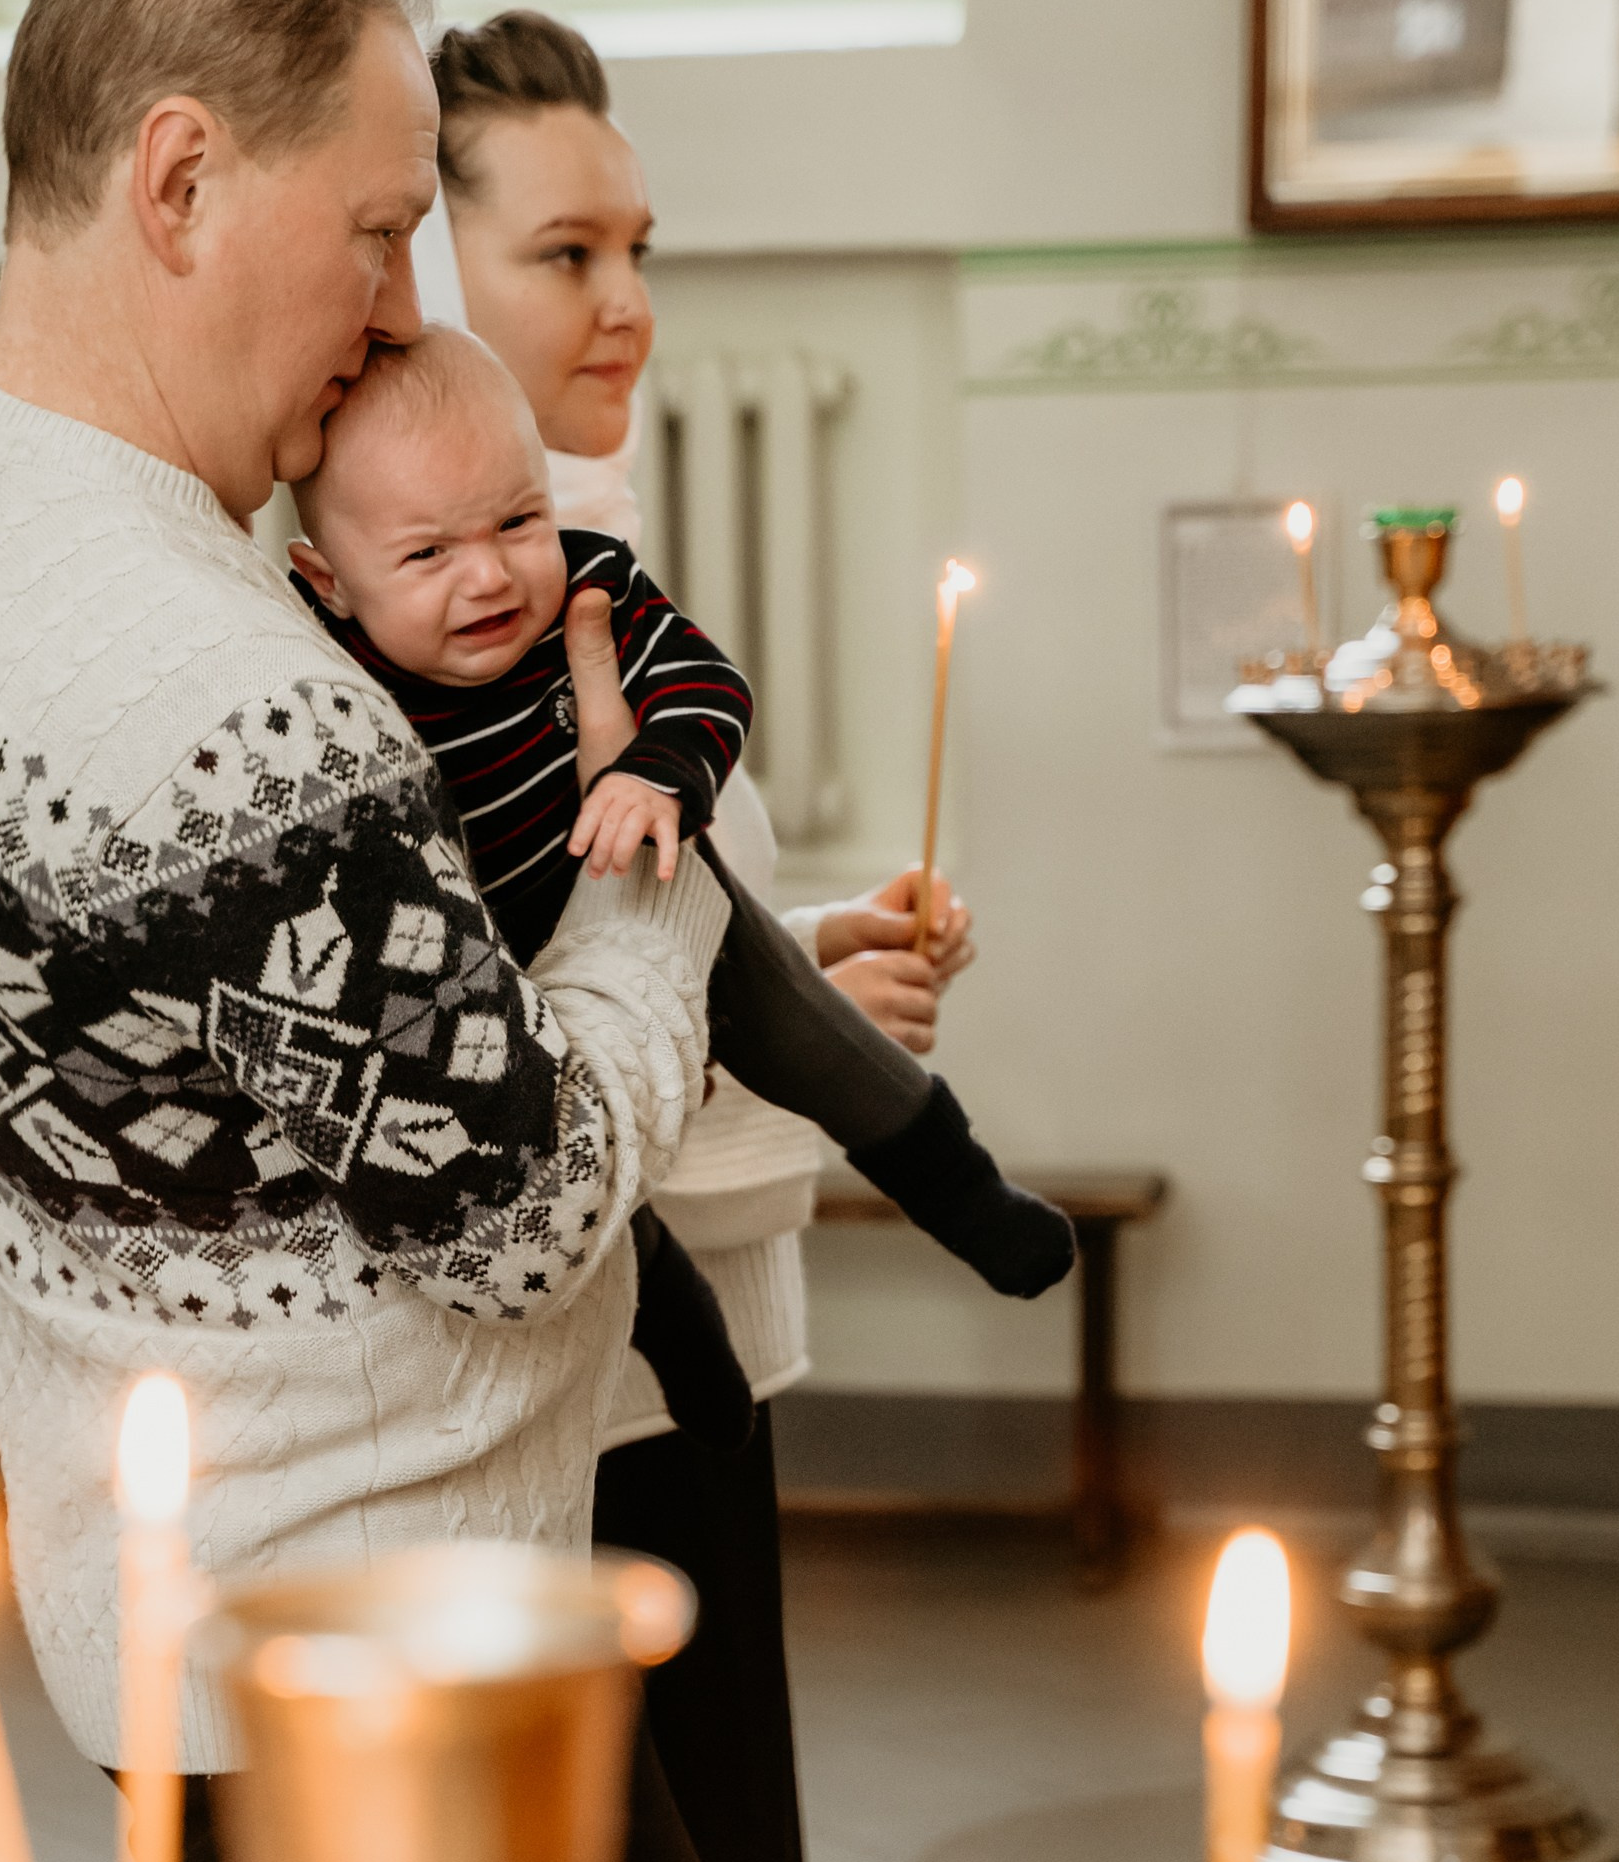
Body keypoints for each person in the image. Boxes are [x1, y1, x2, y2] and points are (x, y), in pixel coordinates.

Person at [0, 0, 749, 1862]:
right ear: (174, 178)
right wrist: (655, 897)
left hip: (165, 1546)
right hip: (372, 1641)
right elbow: (526, 1217)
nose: (394, 309)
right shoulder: (223, 705)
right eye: (369, 233)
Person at [427, 9, 981, 1862]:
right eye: (562, 255)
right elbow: (539, 1048)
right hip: (578, 1388)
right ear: (420, 264)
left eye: (636, 248)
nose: (627, 306)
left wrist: (806, 954)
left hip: (685, 1370)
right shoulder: (431, 633)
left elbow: (652, 940)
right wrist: (808, 1074)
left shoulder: (579, 575)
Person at [286, 327, 1072, 1446]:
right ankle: (690, 1355)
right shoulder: (326, 677)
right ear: (330, 581)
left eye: (517, 520)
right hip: (497, 979)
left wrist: (660, 772)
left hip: (658, 886)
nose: (491, 575)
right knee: (586, 1191)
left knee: (824, 1045)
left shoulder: (588, 586)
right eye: (426, 556)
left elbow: (706, 682)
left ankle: (962, 1191)